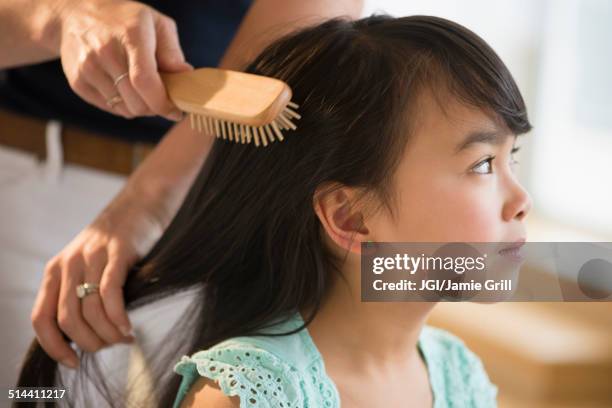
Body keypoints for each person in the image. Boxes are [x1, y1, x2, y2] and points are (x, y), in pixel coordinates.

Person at [19, 12, 532, 407]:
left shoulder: (454, 371)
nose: (521, 200)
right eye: (484, 164)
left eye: (514, 157)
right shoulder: (250, 393)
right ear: (350, 219)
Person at [0, 0, 364, 373]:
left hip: (212, 208)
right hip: (29, 190)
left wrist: (145, 204)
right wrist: (56, 18)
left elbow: (302, 45)